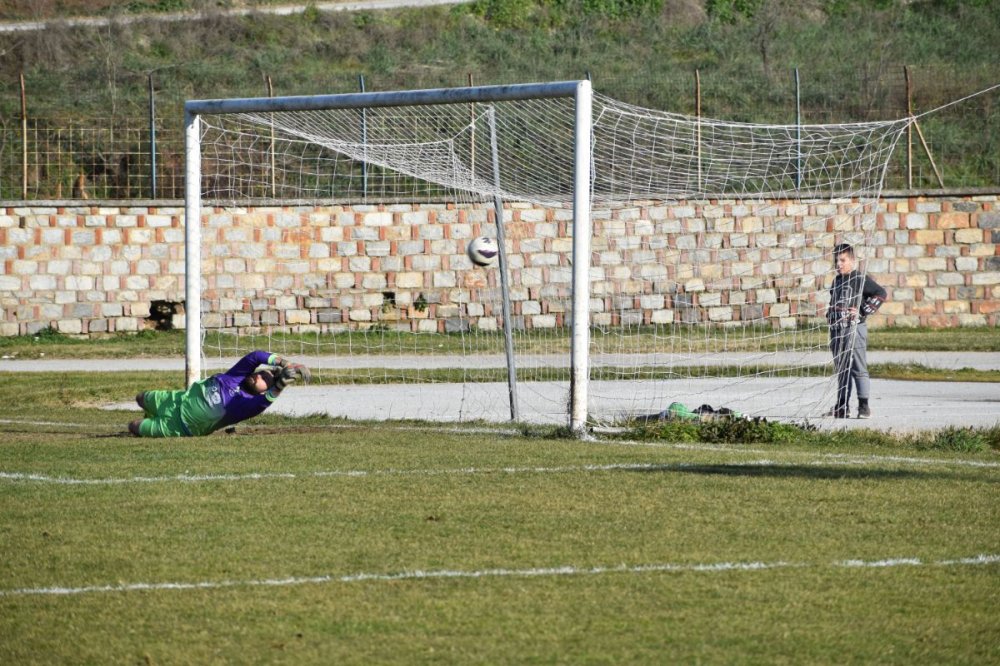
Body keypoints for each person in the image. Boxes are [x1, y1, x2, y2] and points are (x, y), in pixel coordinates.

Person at [128, 351, 311, 437]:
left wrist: (280, 384)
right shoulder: (236, 376)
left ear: (265, 390)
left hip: (179, 427)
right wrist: (286, 364)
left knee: (134, 426)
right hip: (175, 400)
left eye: (264, 379)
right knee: (140, 397)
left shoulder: (246, 406)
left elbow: (268, 399)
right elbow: (255, 357)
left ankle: (151, 421)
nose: (257, 376)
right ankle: (152, 412)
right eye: (260, 373)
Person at [826, 244, 887, 419]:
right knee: (842, 368)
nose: (839, 264)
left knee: (858, 367)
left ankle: (863, 406)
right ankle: (842, 405)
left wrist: (863, 311)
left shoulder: (860, 279)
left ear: (852, 260)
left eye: (842, 260)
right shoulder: (836, 281)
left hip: (855, 329)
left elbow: (881, 293)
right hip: (837, 330)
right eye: (836, 260)